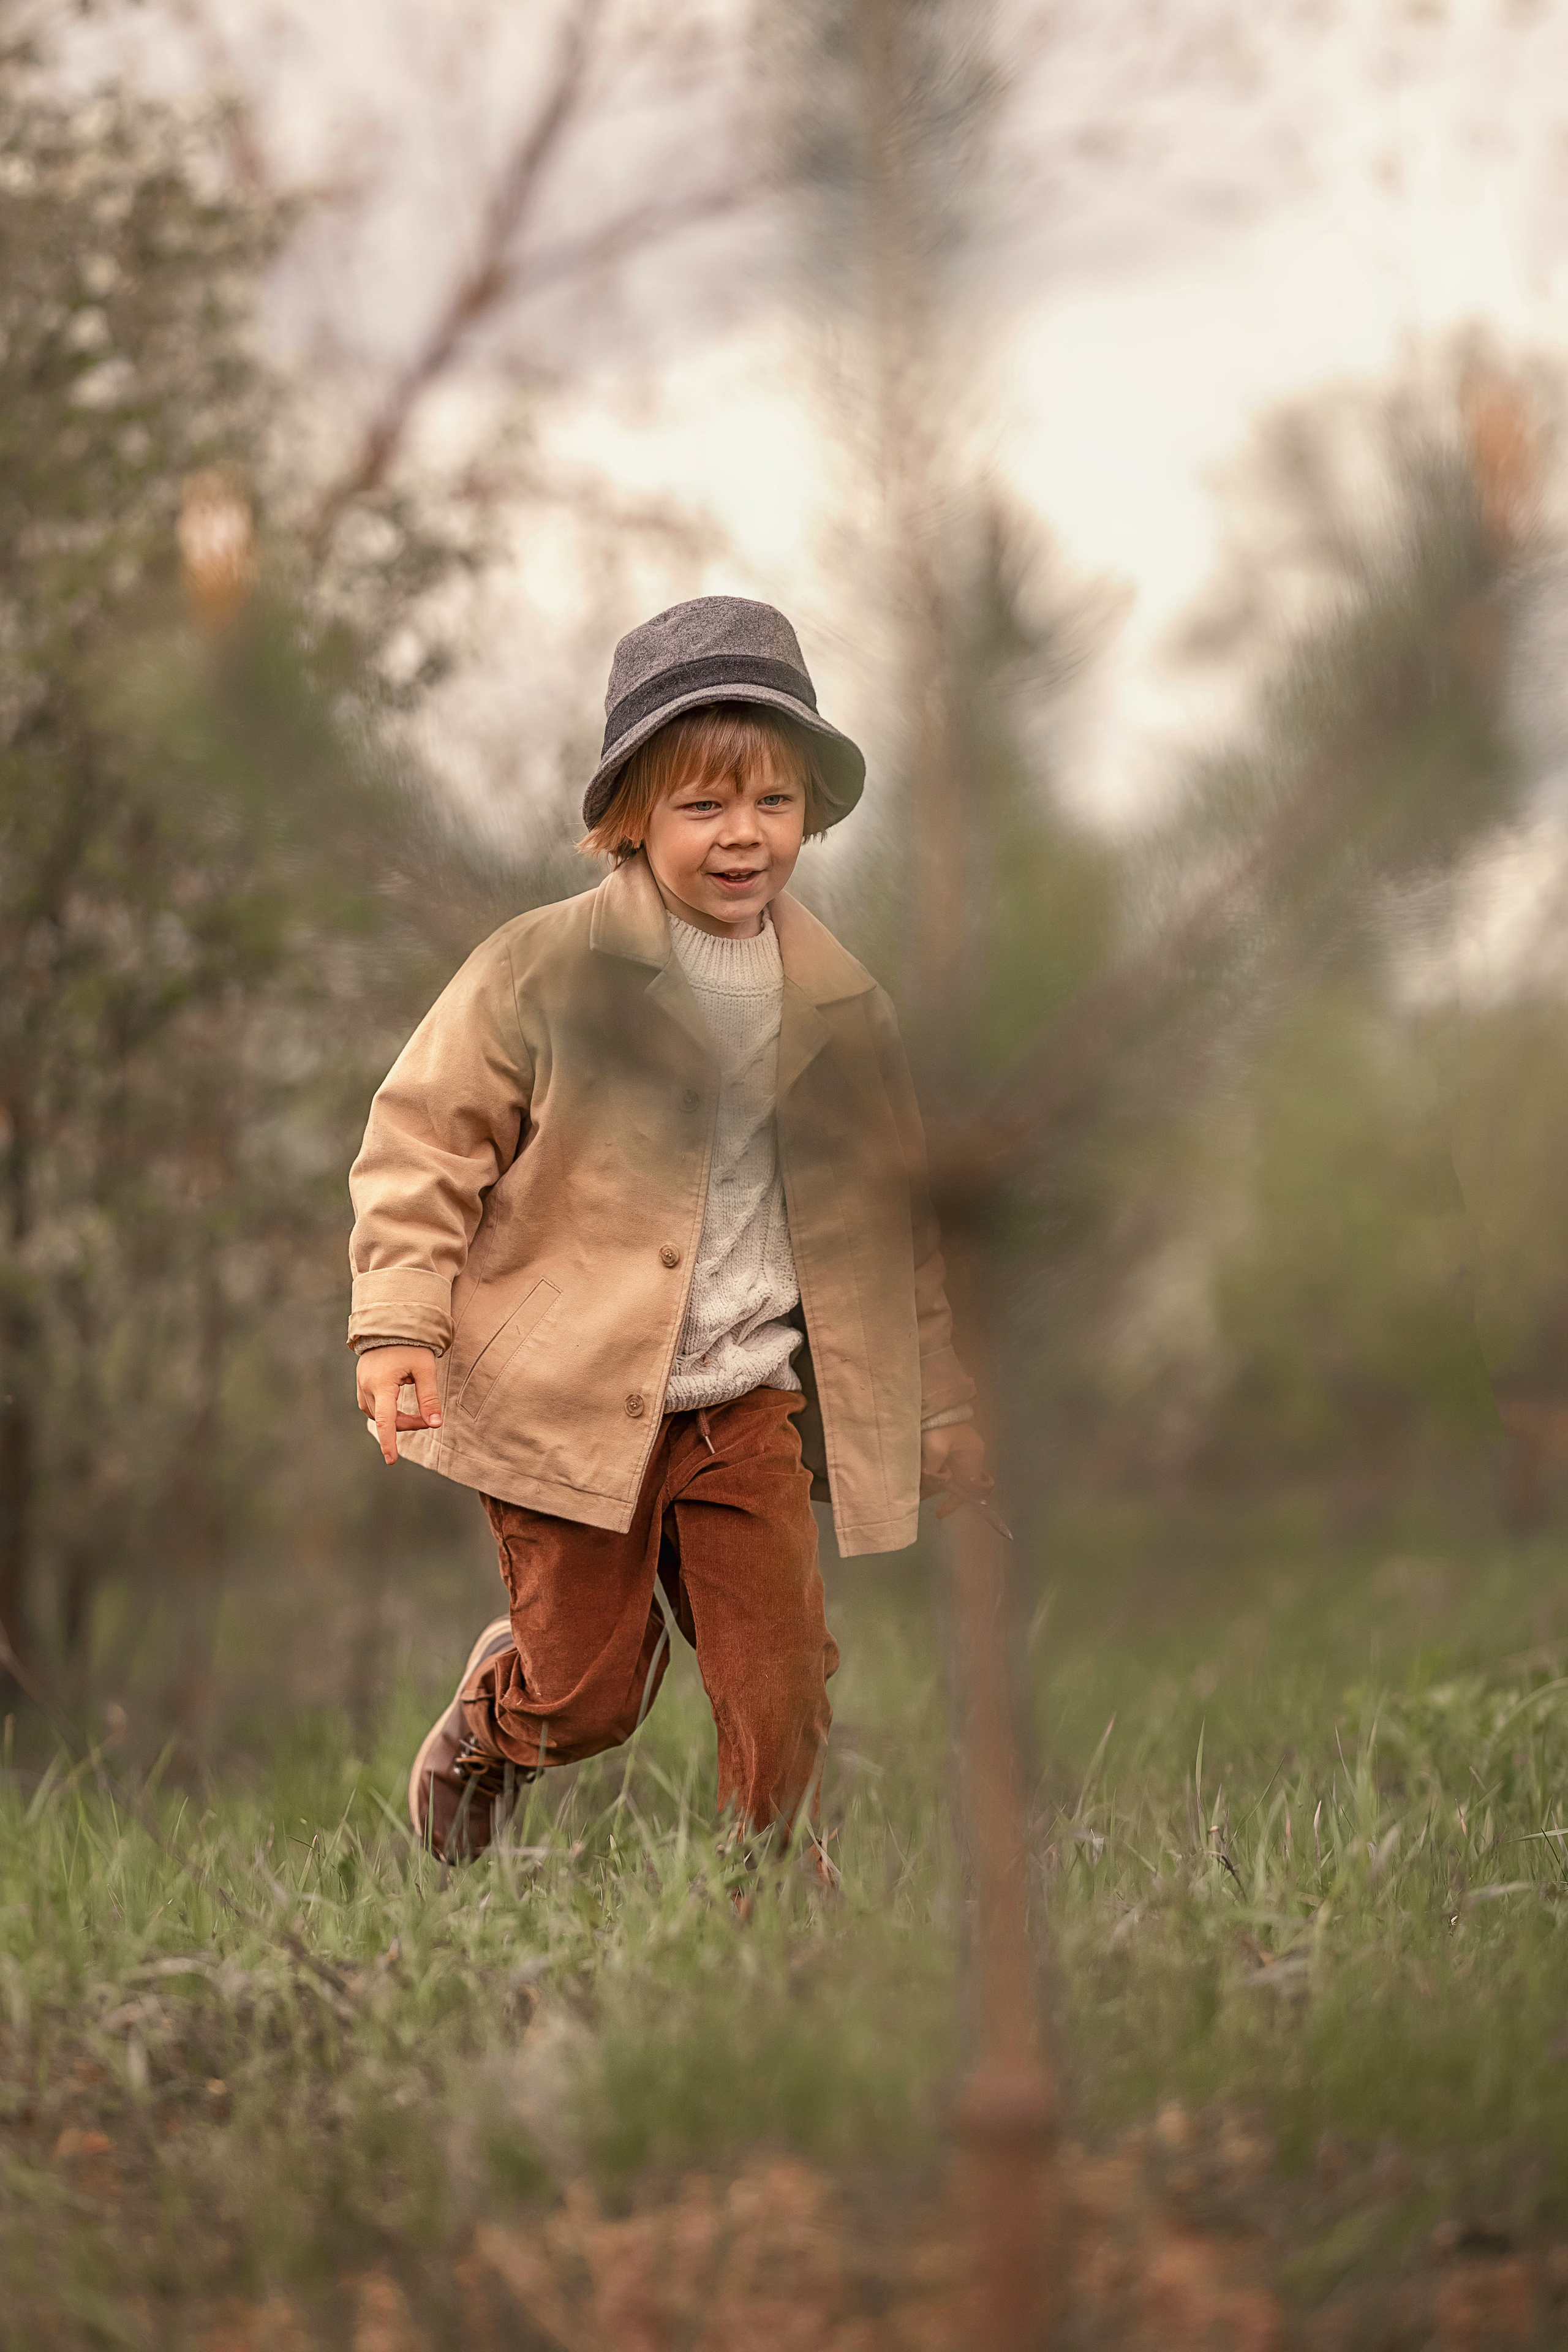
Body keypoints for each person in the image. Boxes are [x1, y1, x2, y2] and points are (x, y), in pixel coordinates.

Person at [348, 595, 988, 1863]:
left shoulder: (843, 1012)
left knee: (783, 1687)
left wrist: (938, 1409)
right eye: (702, 806)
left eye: (772, 803)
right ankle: (494, 1724)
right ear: (627, 818)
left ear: (808, 809)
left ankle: (766, 1921)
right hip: (563, 1392)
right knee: (583, 1698)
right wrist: (399, 1325)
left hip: (741, 1399)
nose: (741, 836)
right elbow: (423, 1140)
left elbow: (892, 1238)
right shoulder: (542, 972)